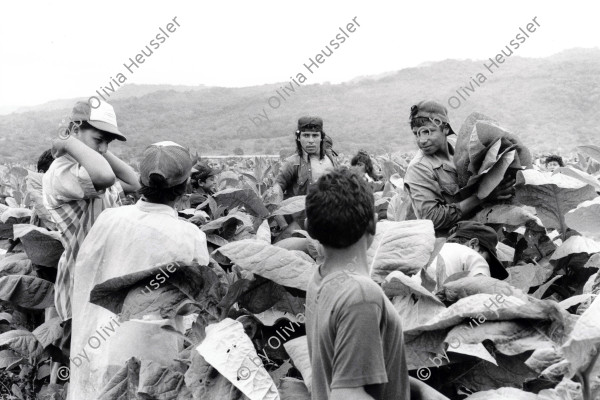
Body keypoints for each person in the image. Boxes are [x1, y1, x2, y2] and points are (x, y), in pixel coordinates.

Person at [68, 141, 210, 400]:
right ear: (186, 187)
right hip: (156, 354)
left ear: (142, 182)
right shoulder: (190, 236)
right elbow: (196, 303)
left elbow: (87, 272)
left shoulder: (110, 219)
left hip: (104, 342)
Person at [305, 167, 448, 400]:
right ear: (373, 224)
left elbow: (353, 372)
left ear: (310, 227)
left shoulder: (319, 279)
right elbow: (346, 395)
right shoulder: (361, 295)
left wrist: (421, 391)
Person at [42, 101, 140, 321]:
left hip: (104, 274)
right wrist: (67, 141)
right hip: (83, 279)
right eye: (99, 139)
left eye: (108, 142)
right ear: (75, 128)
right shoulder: (62, 172)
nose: (104, 148)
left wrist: (94, 147)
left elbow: (134, 183)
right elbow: (105, 177)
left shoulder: (87, 169)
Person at [403, 100, 514, 237]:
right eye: (417, 134)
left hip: (480, 234)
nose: (422, 140)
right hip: (448, 245)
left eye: (429, 131)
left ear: (445, 129)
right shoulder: (419, 168)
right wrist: (482, 196)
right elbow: (432, 218)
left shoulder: (462, 150)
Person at [274, 116, 339, 199]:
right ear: (298, 138)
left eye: (315, 136)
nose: (311, 141)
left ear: (321, 138)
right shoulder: (292, 163)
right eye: (306, 135)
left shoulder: (332, 160)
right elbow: (278, 187)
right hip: (302, 211)